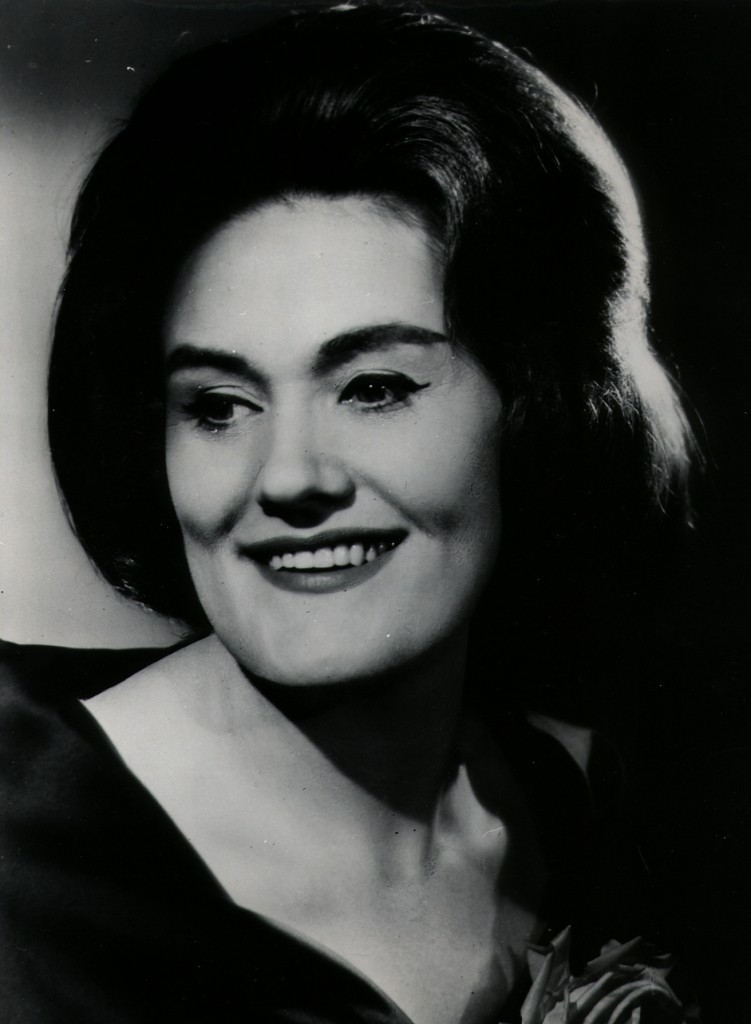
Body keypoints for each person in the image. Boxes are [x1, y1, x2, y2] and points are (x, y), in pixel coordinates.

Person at [1, 3, 696, 1022]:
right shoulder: (20, 827)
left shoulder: (560, 805)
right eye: (218, 405)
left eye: (373, 388)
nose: (288, 477)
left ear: (538, 408)